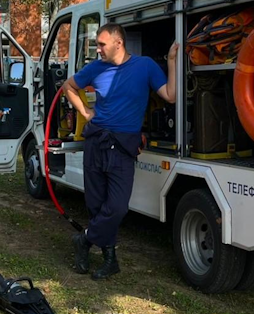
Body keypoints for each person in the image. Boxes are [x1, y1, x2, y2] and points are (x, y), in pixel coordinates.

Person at [63, 24, 178, 280]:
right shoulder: (95, 68)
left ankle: (83, 240)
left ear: (119, 43)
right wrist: (85, 112)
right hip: (96, 142)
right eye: (97, 44)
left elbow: (170, 95)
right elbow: (68, 86)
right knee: (96, 204)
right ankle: (109, 260)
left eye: (102, 44)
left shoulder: (145, 66)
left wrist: (171, 61)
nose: (98, 49)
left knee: (117, 207)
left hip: (123, 146)